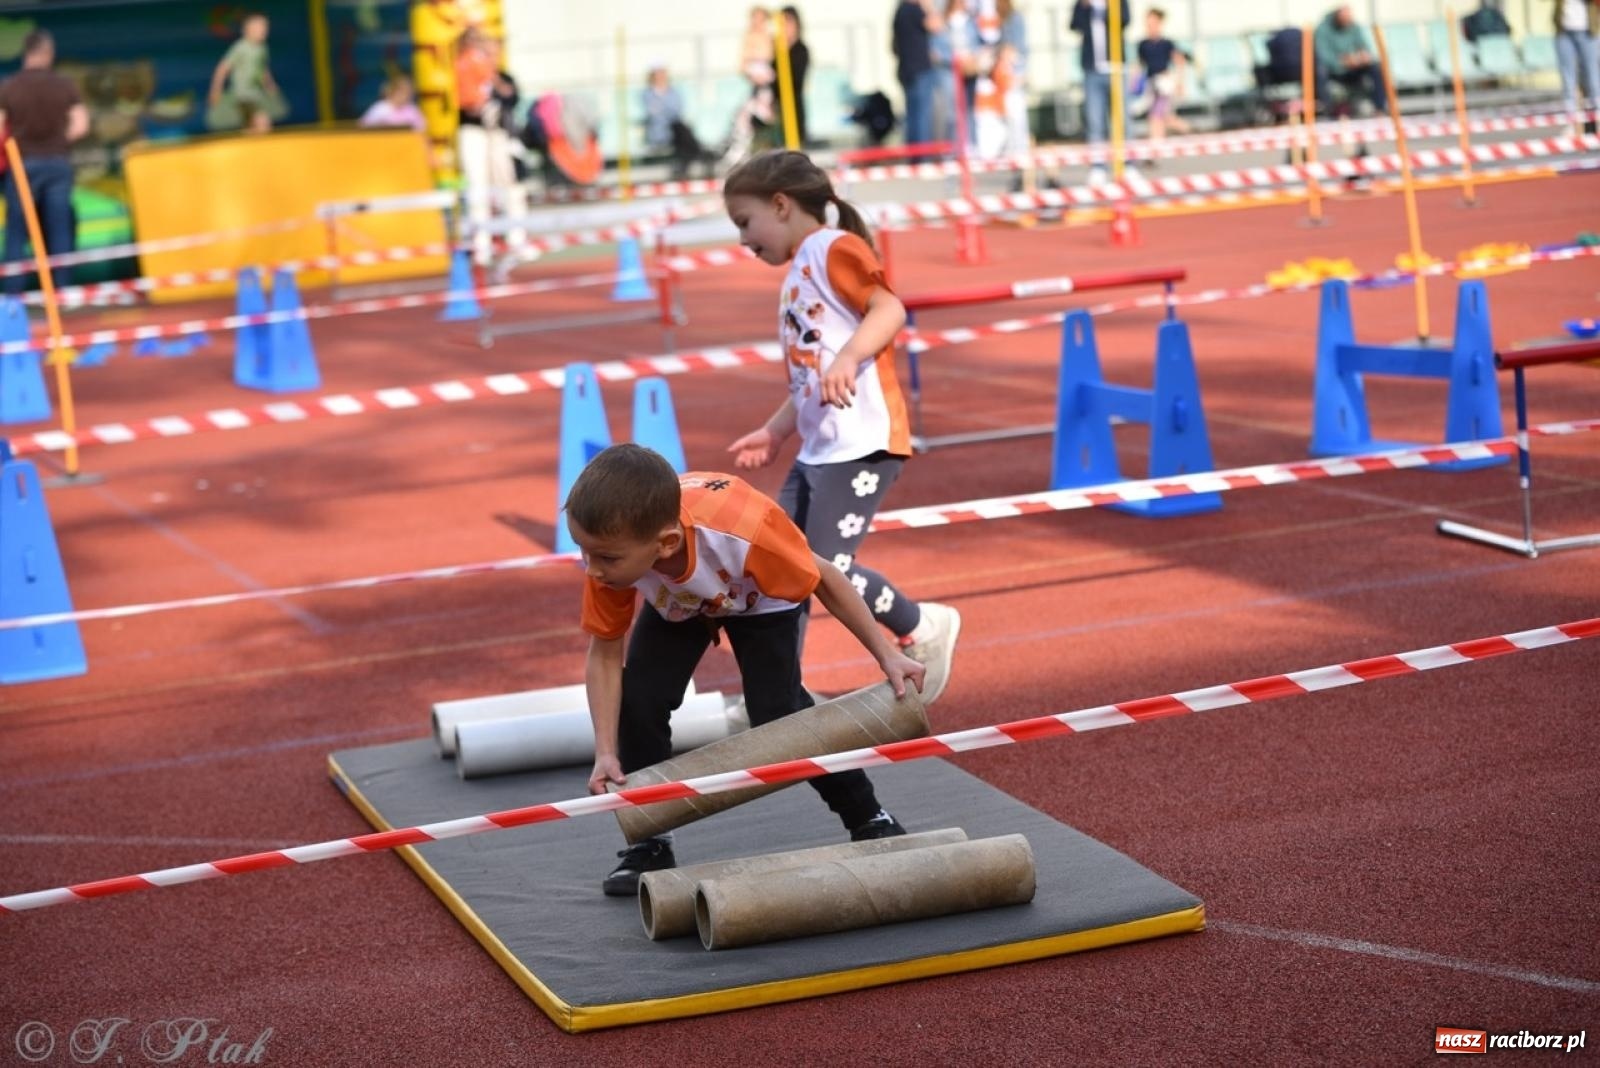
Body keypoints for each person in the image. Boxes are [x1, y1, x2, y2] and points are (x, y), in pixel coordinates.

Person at [569, 443, 927, 895]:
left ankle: (868, 815)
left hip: (760, 597)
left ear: (666, 543)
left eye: (604, 558)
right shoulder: (611, 557)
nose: (591, 568)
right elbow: (604, 654)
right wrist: (606, 751)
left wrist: (886, 654)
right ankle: (649, 843)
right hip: (679, 603)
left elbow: (828, 579)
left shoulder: (747, 531)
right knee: (639, 698)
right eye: (584, 552)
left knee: (779, 715)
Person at [721, 149, 962, 707]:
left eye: (744, 222)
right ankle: (779, 695)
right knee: (784, 568)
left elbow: (890, 310)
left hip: (861, 443)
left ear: (780, 205)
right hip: (818, 448)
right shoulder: (796, 274)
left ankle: (920, 624)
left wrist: (850, 357)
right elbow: (810, 378)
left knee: (824, 567)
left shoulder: (832, 248)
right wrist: (776, 430)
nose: (742, 240)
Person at [0, 29, 87, 295]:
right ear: (48, 52)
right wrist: (60, 141)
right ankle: (60, 290)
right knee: (59, 226)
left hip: (23, 163)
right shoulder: (65, 85)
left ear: (26, 52)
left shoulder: (9, 86)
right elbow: (81, 125)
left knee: (17, 229)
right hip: (58, 162)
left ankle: (13, 296)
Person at [454, 27, 528, 264]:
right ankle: (481, 243)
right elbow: (469, 102)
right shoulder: (465, 65)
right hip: (475, 131)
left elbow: (510, 96)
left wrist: (495, 85)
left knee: (510, 185)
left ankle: (516, 238)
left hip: (499, 134)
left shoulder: (497, 74)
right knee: (478, 186)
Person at [1071, 0, 1130, 185]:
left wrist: (1105, 9)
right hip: (1092, 69)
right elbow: (1074, 25)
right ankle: (1098, 167)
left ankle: (1128, 164)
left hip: (1115, 67)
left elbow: (1125, 20)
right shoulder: (1082, 3)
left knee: (1123, 120)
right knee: (1095, 121)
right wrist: (1085, 7)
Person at [208, 13, 284, 133]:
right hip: (243, 95)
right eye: (258, 28)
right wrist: (215, 90)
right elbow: (222, 68)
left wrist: (270, 84)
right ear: (247, 31)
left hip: (256, 94)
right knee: (262, 121)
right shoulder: (241, 47)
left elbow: (262, 68)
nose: (263, 31)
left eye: (265, 28)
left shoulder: (262, 48)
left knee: (252, 127)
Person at [1313, 4, 1386, 116]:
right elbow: (1323, 56)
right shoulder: (1322, 29)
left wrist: (1363, 56)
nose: (1347, 22)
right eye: (1344, 19)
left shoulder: (1354, 26)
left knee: (1375, 67)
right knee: (1320, 70)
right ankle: (1327, 111)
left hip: (1353, 68)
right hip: (1333, 71)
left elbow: (1364, 46)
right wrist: (1343, 62)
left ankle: (1379, 108)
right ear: (1337, 16)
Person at [643, 64, 712, 179]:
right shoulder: (647, 94)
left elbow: (675, 110)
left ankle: (684, 166)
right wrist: (665, 111)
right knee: (682, 131)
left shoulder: (673, 92)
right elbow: (656, 113)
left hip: (675, 129)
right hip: (661, 132)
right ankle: (702, 155)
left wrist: (662, 108)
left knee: (681, 130)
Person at [1136, 6, 1190, 143]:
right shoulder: (1143, 44)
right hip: (1151, 83)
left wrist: (1179, 82)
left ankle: (1156, 145)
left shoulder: (1166, 44)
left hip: (1164, 82)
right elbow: (1140, 65)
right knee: (1162, 116)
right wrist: (1135, 82)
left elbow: (1179, 61)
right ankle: (1187, 130)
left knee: (1156, 115)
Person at [893, 0, 939, 152]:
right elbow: (936, 25)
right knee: (922, 118)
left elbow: (893, 46)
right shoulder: (915, 10)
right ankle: (922, 157)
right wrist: (929, 7)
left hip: (906, 69)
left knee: (912, 118)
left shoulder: (900, 11)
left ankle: (914, 157)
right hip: (920, 70)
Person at [1554, 0, 1600, 134]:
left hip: (1588, 31)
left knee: (1593, 78)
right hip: (1564, 31)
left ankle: (1597, 121)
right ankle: (1572, 124)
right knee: (1568, 80)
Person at [781, 6, 811, 146]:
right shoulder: (777, 50)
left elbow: (796, 80)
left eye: (788, 22)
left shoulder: (800, 50)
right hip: (777, 110)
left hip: (793, 107)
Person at [360, 74, 427, 131]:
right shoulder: (381, 108)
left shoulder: (412, 109)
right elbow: (364, 127)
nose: (406, 95)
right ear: (392, 91)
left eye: (408, 92)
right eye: (402, 92)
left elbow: (422, 128)